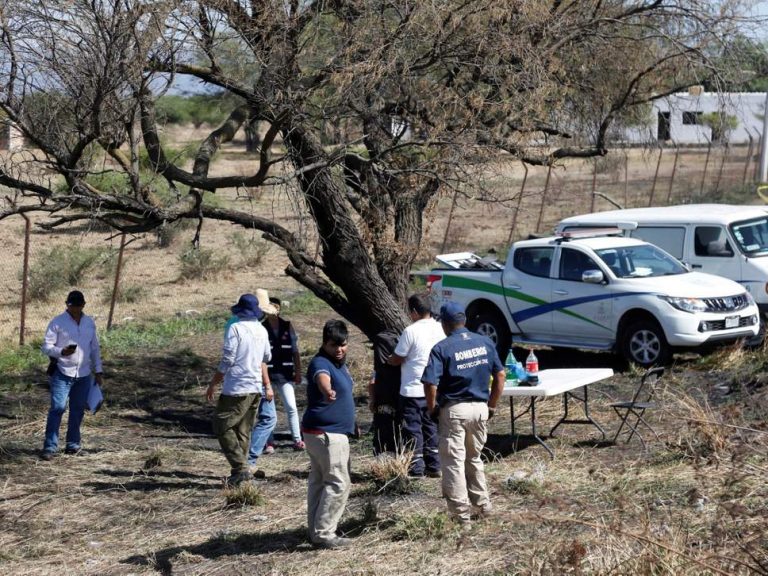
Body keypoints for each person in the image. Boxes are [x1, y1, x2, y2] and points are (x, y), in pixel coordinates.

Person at [421, 301, 505, 525]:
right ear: (464, 321)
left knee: (453, 463)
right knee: (474, 458)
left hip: (454, 410)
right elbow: (500, 375)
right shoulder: (485, 342)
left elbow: (430, 383)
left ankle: (461, 516)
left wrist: (432, 409)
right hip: (480, 408)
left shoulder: (442, 348)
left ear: (445, 325)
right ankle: (483, 505)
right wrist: (492, 405)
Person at [207, 294, 272, 487]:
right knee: (244, 429)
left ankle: (240, 467)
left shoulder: (235, 328)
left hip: (237, 386)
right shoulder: (262, 330)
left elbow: (228, 359)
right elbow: (266, 356)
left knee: (221, 424)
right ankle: (240, 474)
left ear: (239, 311)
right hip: (255, 386)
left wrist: (214, 383)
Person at [302, 320, 356, 549]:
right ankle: (325, 533)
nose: (340, 349)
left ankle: (316, 530)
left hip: (327, 432)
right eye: (334, 345)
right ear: (325, 343)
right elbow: (322, 379)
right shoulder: (320, 363)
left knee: (319, 481)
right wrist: (328, 390)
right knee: (338, 482)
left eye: (343, 344)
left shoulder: (339, 363)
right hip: (326, 434)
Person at [40, 290, 104, 460]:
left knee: (77, 410)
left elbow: (94, 348)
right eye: (71, 306)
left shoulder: (89, 323)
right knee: (58, 408)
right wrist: (61, 351)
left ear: (83, 305)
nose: (73, 309)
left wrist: (98, 371)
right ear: (67, 305)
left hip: (83, 374)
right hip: (62, 372)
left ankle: (73, 445)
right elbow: (46, 346)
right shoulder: (57, 322)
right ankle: (50, 447)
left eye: (77, 306)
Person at [387, 293, 445, 477]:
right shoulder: (441, 328)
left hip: (412, 389)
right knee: (431, 427)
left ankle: (416, 468)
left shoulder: (410, 331)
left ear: (414, 311)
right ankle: (435, 465)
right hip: (434, 388)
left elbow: (398, 358)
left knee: (412, 430)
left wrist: (388, 360)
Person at [259, 291, 305, 452]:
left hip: (285, 373)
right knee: (268, 411)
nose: (274, 310)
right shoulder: (261, 327)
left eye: (276, 307)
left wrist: (298, 371)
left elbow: (295, 350)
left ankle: (297, 439)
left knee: (291, 407)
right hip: (268, 375)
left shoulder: (287, 325)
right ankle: (269, 441)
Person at [368, 329, 401, 456]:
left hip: (382, 407)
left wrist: (372, 401)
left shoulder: (380, 367)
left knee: (383, 438)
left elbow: (371, 383)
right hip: (399, 406)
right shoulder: (402, 363)